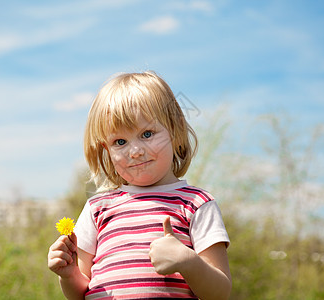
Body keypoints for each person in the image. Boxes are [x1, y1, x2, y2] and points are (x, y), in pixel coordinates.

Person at [48, 71, 231, 299]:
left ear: (174, 132)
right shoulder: (97, 208)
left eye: (147, 134)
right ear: (107, 150)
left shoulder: (197, 204)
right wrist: (68, 275)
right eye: (120, 142)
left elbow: (220, 293)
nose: (135, 152)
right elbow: (80, 293)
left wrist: (189, 262)